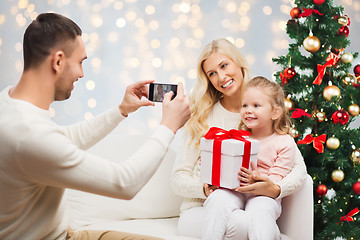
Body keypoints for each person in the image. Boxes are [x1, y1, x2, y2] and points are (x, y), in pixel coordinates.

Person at [0, 13, 191, 240]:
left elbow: (63, 138)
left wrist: (121, 110)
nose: (82, 73)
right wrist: (168, 126)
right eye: (80, 62)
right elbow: (124, 183)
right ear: (58, 61)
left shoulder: (10, 102)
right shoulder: (28, 137)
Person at [171, 38, 308, 239]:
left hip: (249, 202)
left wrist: (275, 188)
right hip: (201, 207)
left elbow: (299, 169)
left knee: (249, 219)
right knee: (241, 222)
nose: (221, 77)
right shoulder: (201, 116)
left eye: (224, 66)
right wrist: (206, 189)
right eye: (212, 74)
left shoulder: (263, 111)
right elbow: (177, 178)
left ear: (239, 63)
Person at [202, 76, 296, 240]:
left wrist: (259, 182)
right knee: (217, 199)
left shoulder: (284, 141)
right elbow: (223, 166)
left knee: (260, 209)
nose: (247, 110)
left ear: (275, 112)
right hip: (235, 190)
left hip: (263, 195)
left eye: (256, 105)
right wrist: (214, 179)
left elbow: (276, 180)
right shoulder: (238, 138)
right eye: (244, 105)